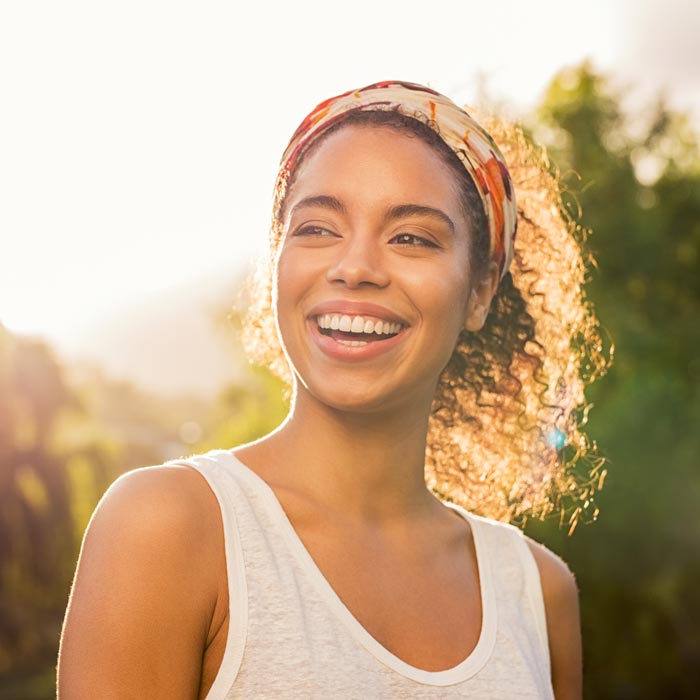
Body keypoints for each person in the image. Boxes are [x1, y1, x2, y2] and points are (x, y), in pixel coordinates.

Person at [58, 80, 607, 699]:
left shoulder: (537, 593)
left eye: (412, 237)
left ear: (479, 291)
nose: (355, 267)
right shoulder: (168, 527)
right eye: (317, 228)